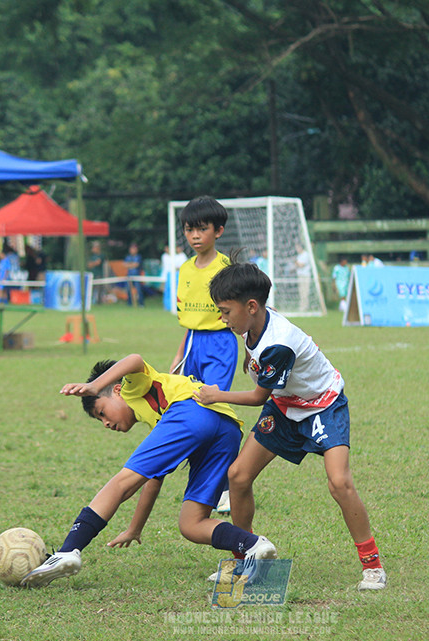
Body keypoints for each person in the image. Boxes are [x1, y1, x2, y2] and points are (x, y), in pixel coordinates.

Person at [194, 261, 387, 591]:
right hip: (285, 405)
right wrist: (249, 359)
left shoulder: (278, 343)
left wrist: (216, 395)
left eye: (226, 312)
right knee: (238, 476)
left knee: (339, 483)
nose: (223, 319)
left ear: (251, 306)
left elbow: (258, 397)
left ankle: (373, 566)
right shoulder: (252, 323)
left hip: (323, 404)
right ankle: (245, 559)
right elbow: (259, 363)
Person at [19, 353, 277, 588]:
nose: (106, 423)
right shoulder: (157, 415)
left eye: (102, 412)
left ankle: (68, 550)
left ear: (117, 390)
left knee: (121, 483)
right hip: (227, 427)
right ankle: (252, 547)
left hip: (190, 411)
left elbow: (134, 359)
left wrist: (95, 386)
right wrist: (135, 528)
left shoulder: (133, 388)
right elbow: (154, 480)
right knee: (191, 524)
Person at [169, 196, 241, 515]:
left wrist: (250, 349)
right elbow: (189, 321)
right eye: (189, 229)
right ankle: (206, 483)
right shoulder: (185, 269)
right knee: (191, 410)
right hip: (193, 345)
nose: (195, 236)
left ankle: (227, 486)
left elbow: (241, 312)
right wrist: (179, 357)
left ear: (218, 231)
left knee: (213, 409)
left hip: (220, 344)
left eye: (202, 229)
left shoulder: (225, 268)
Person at [294, 243, 312, 312]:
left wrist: (296, 262)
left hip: (305, 276)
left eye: (297, 248)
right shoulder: (299, 255)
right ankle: (302, 306)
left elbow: (301, 265)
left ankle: (304, 307)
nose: (297, 249)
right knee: (301, 292)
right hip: (300, 275)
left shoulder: (306, 254)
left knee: (305, 292)